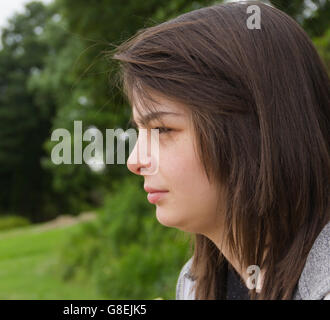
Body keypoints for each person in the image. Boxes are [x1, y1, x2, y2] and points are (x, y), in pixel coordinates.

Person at [112, 1, 329, 299]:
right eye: (140, 131)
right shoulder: (194, 285)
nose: (135, 161)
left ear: (251, 131)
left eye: (162, 129)